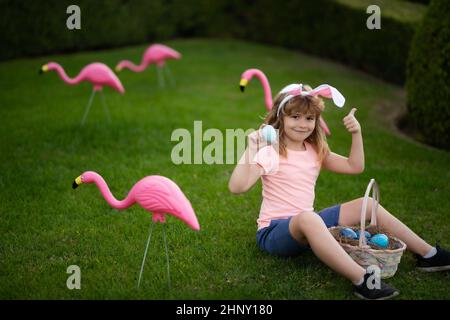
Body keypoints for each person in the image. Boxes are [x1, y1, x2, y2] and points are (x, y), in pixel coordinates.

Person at [228, 83, 450, 300]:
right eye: (295, 117)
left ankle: (429, 255)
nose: (303, 124)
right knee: (308, 218)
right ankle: (363, 280)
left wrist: (356, 133)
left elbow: (355, 166)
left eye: (309, 118)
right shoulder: (271, 152)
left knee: (368, 204)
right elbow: (237, 187)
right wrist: (251, 149)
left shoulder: (315, 151)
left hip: (308, 225)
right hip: (274, 233)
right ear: (280, 118)